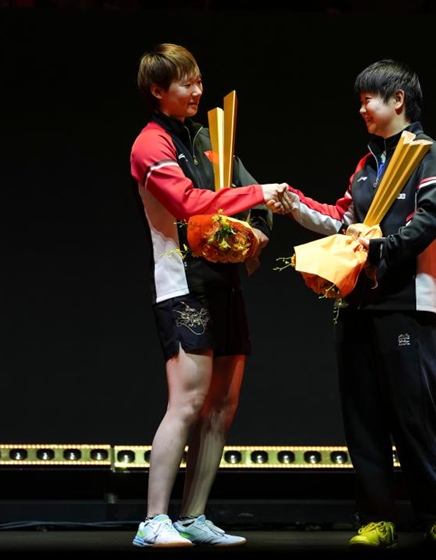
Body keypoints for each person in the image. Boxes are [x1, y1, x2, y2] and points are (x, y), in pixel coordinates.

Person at [270, 59, 436, 551]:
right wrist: (293, 203)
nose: (361, 107)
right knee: (363, 416)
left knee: (413, 416)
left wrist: (381, 246)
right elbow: (342, 220)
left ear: (397, 99)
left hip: (407, 303)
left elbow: (435, 215)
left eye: (368, 98)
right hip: (356, 304)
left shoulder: (429, 155)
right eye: (359, 99)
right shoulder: (366, 166)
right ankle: (375, 519)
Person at [129, 43, 287, 548]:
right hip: (182, 284)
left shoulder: (208, 138)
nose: (197, 91)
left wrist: (258, 232)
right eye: (185, 83)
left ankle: (194, 515)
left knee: (223, 403)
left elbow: (250, 191)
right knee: (188, 401)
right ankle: (154, 520)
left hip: (225, 283)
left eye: (199, 80)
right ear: (158, 91)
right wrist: (259, 196)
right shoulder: (149, 146)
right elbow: (189, 203)